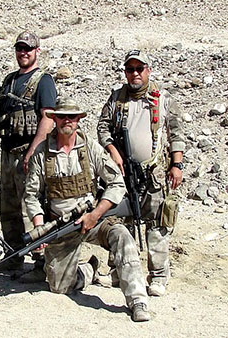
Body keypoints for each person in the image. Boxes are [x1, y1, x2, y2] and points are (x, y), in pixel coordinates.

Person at [24, 99, 151, 322]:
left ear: (79, 120)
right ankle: (88, 270)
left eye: (71, 117)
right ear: (54, 119)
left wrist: (95, 214)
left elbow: (116, 182)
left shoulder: (90, 147)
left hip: (93, 220)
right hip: (60, 226)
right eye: (62, 116)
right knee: (59, 287)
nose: (67, 121)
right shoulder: (42, 154)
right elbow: (32, 195)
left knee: (123, 236)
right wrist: (39, 226)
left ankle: (138, 300)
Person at [97, 50, 185, 297]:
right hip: (123, 172)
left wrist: (176, 165)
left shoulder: (162, 99)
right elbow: (102, 127)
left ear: (148, 70)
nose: (134, 74)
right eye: (130, 69)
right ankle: (119, 272)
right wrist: (112, 150)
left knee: (157, 224)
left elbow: (177, 134)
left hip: (154, 172)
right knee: (121, 224)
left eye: (139, 69)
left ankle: (158, 276)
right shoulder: (116, 98)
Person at [0, 31, 57, 275]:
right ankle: (13, 255)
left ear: (37, 51)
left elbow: (48, 118)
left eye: (28, 49)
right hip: (8, 152)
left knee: (30, 207)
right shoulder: (10, 80)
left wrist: (33, 151)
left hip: (29, 153)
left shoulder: (43, 80)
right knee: (9, 207)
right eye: (20, 48)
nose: (23, 53)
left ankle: (40, 261)